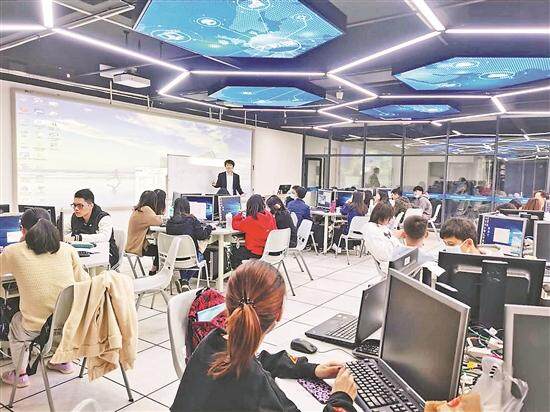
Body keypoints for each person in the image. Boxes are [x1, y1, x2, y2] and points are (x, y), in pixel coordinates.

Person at [171, 260, 357, 412]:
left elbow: (255, 360)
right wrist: (341, 399)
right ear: (279, 314)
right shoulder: (257, 388)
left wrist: (310, 369)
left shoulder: (212, 342)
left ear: (227, 304)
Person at [0, 208, 89, 387]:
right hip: (69, 323)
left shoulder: (13, 251)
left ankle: (20, 374)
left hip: (36, 328)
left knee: (16, 321)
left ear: (23, 230)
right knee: (56, 309)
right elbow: (84, 281)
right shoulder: (67, 249)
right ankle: (63, 361)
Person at [166, 197, 213, 290]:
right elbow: (202, 235)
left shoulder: (169, 222)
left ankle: (184, 282)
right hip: (190, 258)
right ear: (188, 207)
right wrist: (209, 228)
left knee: (182, 253)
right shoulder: (192, 220)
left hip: (174, 257)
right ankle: (185, 281)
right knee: (200, 256)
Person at [66, 188, 119, 267]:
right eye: (74, 205)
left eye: (80, 205)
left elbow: (104, 237)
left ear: (91, 205)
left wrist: (79, 238)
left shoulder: (103, 217)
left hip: (106, 254)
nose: (76, 208)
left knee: (77, 264)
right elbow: (63, 231)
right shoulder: (75, 217)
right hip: (84, 252)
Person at [230, 195, 277, 268]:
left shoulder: (251, 220)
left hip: (257, 253)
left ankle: (238, 273)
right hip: (270, 250)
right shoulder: (269, 215)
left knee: (233, 251)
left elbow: (235, 225)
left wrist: (239, 214)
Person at [125, 190, 163, 275]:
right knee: (163, 249)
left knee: (159, 248)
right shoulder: (146, 210)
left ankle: (154, 270)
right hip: (137, 247)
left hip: (131, 245)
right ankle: (154, 271)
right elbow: (159, 222)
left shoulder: (138, 210)